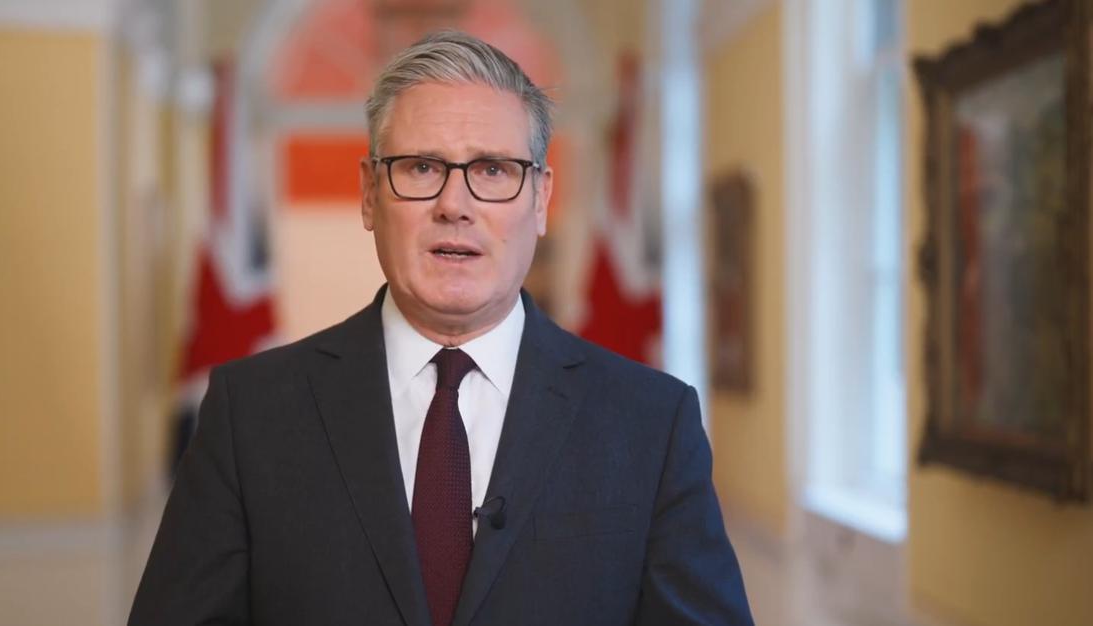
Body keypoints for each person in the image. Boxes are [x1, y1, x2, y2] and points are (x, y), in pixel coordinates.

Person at [128, 30, 752, 626]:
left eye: (494, 170)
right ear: (369, 193)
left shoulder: (653, 423)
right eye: (422, 168)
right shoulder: (249, 413)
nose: (455, 205)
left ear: (540, 199)